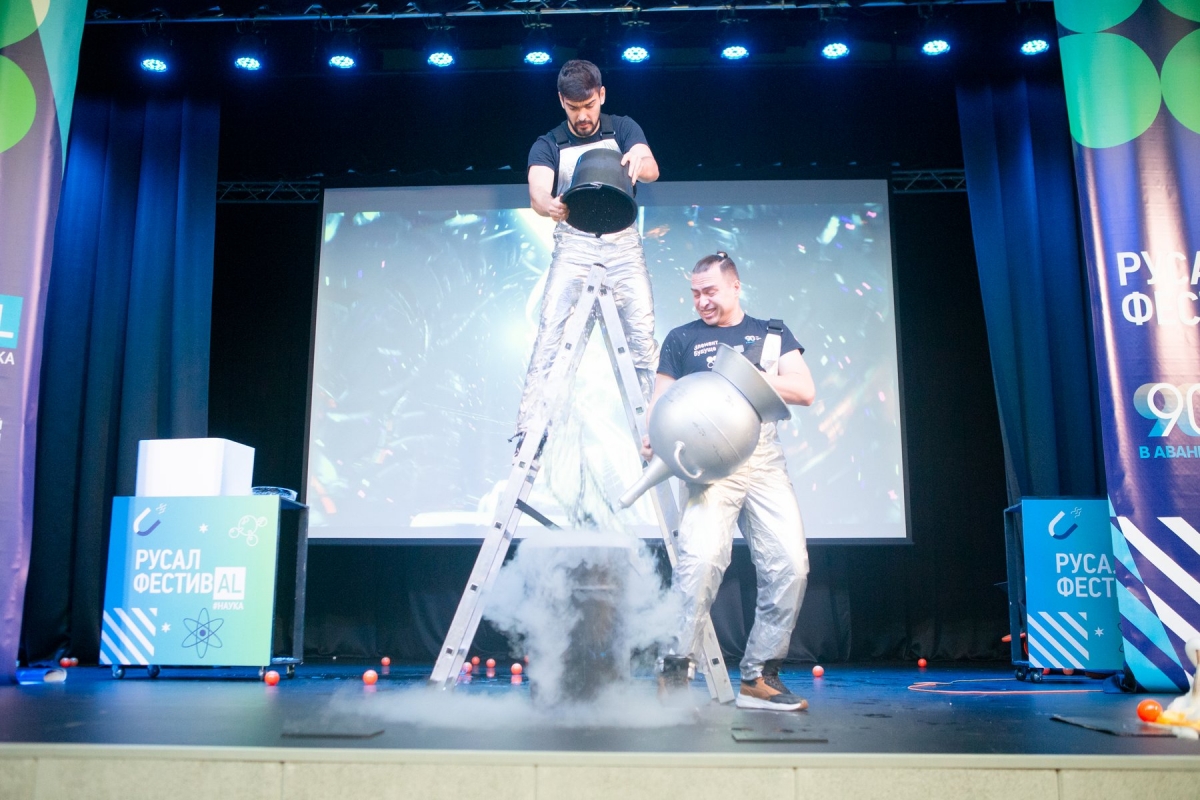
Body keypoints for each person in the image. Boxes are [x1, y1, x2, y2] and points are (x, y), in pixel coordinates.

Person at [648, 252, 815, 711]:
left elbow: (804, 390)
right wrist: (655, 437)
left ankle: (759, 677)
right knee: (700, 562)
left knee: (790, 566)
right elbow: (661, 401)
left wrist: (749, 376)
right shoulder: (682, 339)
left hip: (763, 460)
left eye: (710, 291)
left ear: (735, 286)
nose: (702, 301)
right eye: (695, 294)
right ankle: (674, 672)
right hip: (710, 463)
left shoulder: (772, 334)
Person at [516, 59, 660, 453]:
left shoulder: (623, 128)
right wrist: (548, 204)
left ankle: (658, 430)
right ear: (562, 102)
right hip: (574, 248)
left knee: (642, 339)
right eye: (574, 108)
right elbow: (537, 192)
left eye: (589, 106)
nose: (583, 116)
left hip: (623, 246)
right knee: (551, 336)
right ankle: (531, 433)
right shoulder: (549, 144)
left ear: (602, 96)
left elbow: (651, 168)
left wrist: (640, 160)